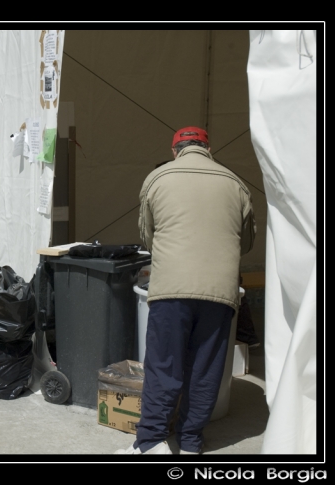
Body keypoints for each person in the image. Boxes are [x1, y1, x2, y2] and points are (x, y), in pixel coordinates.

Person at [116, 127, 256, 454]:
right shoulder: (235, 182)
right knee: (205, 369)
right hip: (219, 293)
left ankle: (150, 442)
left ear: (175, 149)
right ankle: (191, 442)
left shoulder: (158, 178)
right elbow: (246, 242)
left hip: (171, 289)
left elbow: (147, 235)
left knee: (164, 365)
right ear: (208, 148)